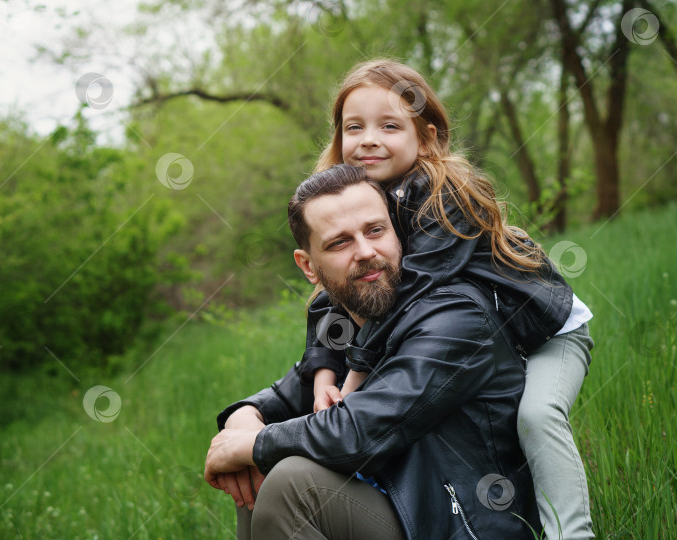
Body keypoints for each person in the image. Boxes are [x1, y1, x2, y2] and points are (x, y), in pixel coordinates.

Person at [303, 59, 594, 538]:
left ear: (429, 138)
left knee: (536, 416)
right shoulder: (356, 201)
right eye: (354, 127)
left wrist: (353, 374)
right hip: (483, 338)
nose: (368, 139)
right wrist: (322, 375)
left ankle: (572, 533)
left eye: (389, 126)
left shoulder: (445, 196)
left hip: (545, 333)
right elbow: (326, 302)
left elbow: (412, 290)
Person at [205, 164, 543, 538]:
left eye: (375, 230)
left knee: (290, 482)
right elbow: (283, 396)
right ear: (308, 267)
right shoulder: (352, 322)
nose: (366, 251)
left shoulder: (456, 317)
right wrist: (244, 419)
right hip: (401, 512)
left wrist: (255, 444)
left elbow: (361, 431)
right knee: (260, 469)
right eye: (340, 242)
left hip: (462, 526)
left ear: (397, 232)